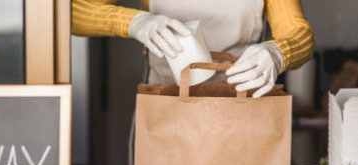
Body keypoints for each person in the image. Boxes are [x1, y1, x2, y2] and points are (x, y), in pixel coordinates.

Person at [72, 0, 315, 98]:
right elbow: (70, 13)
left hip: (241, 103)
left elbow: (299, 32)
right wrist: (133, 22)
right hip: (166, 104)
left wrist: (278, 52)